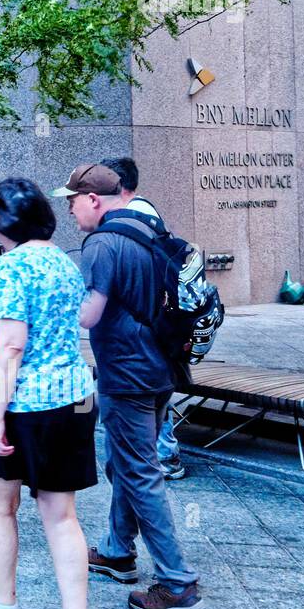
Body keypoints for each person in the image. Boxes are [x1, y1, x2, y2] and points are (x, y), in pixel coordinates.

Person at [55, 162, 206, 609]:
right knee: (127, 460)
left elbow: (90, 314)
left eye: (72, 201)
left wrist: (47, 308)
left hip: (127, 373)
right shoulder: (151, 228)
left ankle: (177, 583)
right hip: (161, 367)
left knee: (140, 471)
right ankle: (118, 551)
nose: (70, 210)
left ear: (93, 200)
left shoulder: (101, 242)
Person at [0, 178, 99, 609]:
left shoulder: (6, 269)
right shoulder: (66, 263)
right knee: (63, 518)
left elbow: (11, 347)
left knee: (1, 510)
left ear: (5, 225)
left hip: (22, 405)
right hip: (73, 400)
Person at [100, 156, 184, 481]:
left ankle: (160, 456)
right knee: (157, 389)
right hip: (162, 322)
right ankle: (164, 455)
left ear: (117, 185)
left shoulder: (130, 219)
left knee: (149, 391)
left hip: (147, 326)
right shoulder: (150, 213)